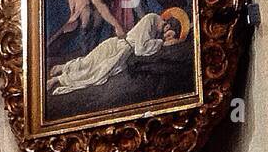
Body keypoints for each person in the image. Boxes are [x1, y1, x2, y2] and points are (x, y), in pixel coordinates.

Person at [47, 8, 187, 96]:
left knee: (94, 70)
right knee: (90, 66)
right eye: (169, 33)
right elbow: (140, 49)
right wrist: (162, 43)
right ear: (167, 24)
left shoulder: (156, 30)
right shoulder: (152, 19)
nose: (167, 37)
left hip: (120, 51)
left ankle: (58, 79)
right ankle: (63, 69)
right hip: (116, 48)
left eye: (169, 37)